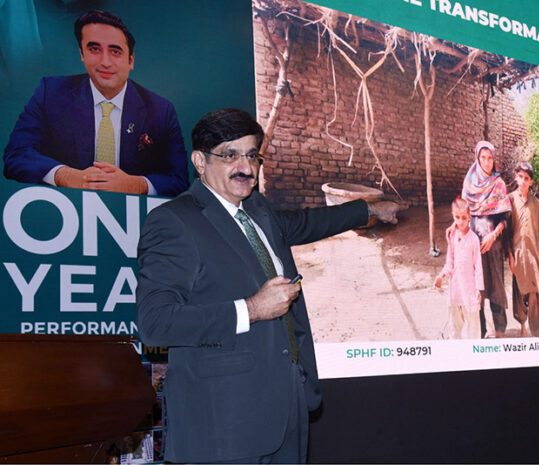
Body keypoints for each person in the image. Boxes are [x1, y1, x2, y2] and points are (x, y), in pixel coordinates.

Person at [136, 108, 396, 463]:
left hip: (287, 412)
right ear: (199, 161)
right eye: (230, 155)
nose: (246, 168)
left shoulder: (257, 210)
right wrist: (253, 309)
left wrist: (367, 210)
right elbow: (156, 323)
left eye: (252, 156)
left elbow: (304, 223)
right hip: (224, 430)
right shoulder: (174, 222)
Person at [3, 10, 188, 196]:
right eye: (94, 49)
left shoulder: (161, 110)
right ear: (82, 54)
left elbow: (179, 180)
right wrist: (66, 176)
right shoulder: (50, 92)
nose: (105, 62)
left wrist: (136, 185)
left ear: (130, 60)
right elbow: (17, 155)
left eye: (115, 52)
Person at [460, 140, 511, 338]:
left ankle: (499, 331)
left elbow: (504, 218)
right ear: (477, 158)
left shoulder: (499, 184)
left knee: (497, 286)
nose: (487, 162)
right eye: (483, 158)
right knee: (477, 288)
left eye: (490, 158)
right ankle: (479, 332)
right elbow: (463, 213)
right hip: (474, 246)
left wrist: (493, 235)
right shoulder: (469, 182)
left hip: (494, 244)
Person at [434, 196, 484, 339]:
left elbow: (478, 266)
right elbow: (450, 261)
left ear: (469, 217)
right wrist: (441, 276)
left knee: (473, 328)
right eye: (457, 217)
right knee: (454, 327)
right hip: (455, 288)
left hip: (469, 290)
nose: (460, 221)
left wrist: (478, 289)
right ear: (453, 216)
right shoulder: (452, 237)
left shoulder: (474, 239)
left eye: (463, 217)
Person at [507, 162, 539, 337]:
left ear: (531, 182)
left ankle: (537, 330)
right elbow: (507, 232)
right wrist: (510, 256)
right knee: (519, 290)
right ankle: (522, 326)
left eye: (526, 178)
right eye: (520, 177)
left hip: (533, 256)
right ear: (516, 177)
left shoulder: (537, 204)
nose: (522, 181)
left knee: (536, 292)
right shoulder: (509, 200)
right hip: (517, 254)